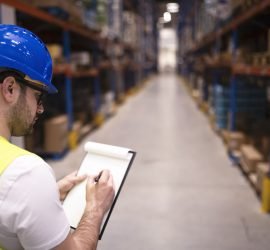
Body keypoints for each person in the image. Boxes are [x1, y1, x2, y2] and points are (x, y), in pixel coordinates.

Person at [0, 24, 115, 250]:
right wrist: (95, 208)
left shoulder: (18, 181)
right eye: (37, 95)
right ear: (10, 88)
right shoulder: (25, 173)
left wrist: (44, 196)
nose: (40, 109)